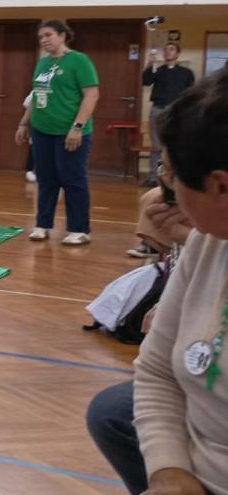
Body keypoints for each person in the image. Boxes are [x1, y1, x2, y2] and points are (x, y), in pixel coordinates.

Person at [86, 69, 228, 495]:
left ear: (220, 185)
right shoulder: (208, 242)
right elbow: (156, 371)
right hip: (199, 460)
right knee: (113, 410)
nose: (168, 194)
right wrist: (169, 471)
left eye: (171, 178)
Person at [15, 20, 99, 246]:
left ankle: (79, 229)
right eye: (41, 37)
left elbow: (91, 95)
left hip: (70, 131)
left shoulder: (79, 60)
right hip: (42, 130)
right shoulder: (43, 63)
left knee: (73, 178)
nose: (44, 40)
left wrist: (77, 127)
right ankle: (42, 225)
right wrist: (24, 123)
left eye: (48, 35)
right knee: (46, 178)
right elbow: (37, 95)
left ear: (62, 36)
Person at [142, 42, 195, 187]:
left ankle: (174, 178)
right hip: (158, 109)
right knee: (156, 146)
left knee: (175, 145)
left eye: (171, 49)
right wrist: (149, 63)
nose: (167, 52)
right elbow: (146, 81)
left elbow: (191, 93)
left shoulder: (186, 73)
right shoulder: (158, 70)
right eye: (165, 50)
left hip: (175, 111)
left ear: (177, 54)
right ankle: (153, 178)